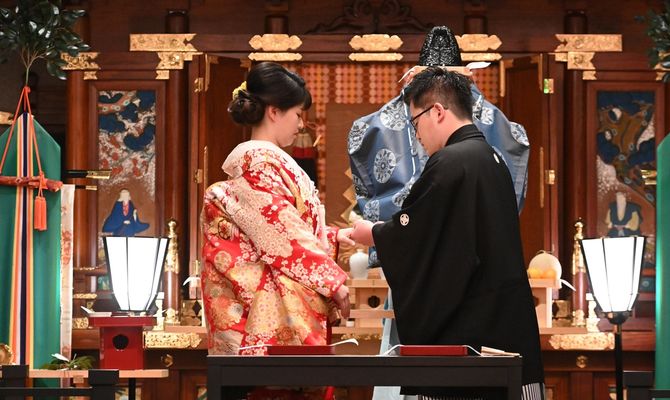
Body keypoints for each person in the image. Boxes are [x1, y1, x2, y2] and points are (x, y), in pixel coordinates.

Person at [350, 67, 544, 400]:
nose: (416, 135)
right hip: (505, 325)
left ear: (437, 111)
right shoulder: (491, 158)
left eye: (415, 122)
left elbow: (418, 236)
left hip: (471, 334)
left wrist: (377, 234)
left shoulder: (450, 162)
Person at [201, 62, 353, 358]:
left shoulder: (267, 161)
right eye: (297, 114)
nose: (301, 124)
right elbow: (281, 234)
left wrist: (332, 236)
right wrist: (330, 280)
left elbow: (285, 225)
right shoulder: (257, 164)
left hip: (282, 292)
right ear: (274, 112)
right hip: (267, 307)